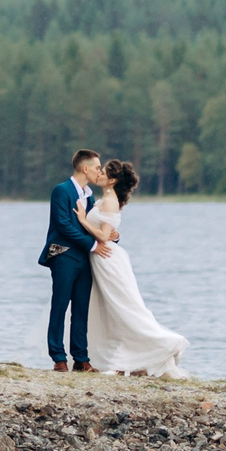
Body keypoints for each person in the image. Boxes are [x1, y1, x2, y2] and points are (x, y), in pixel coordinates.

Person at [77, 160, 189, 377]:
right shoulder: (104, 199)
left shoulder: (110, 201)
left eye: (104, 172)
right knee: (110, 310)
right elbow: (107, 232)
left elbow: (102, 235)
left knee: (123, 307)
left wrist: (83, 220)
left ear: (112, 180)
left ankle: (165, 344)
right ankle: (124, 360)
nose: (98, 174)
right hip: (100, 258)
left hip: (107, 259)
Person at [38, 150, 114, 370]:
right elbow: (63, 224)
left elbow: (94, 225)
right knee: (60, 305)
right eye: (98, 167)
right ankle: (59, 358)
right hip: (63, 255)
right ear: (85, 168)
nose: (100, 171)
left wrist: (111, 236)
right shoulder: (61, 191)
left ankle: (81, 358)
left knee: (81, 308)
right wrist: (92, 244)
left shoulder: (89, 196)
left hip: (85, 258)